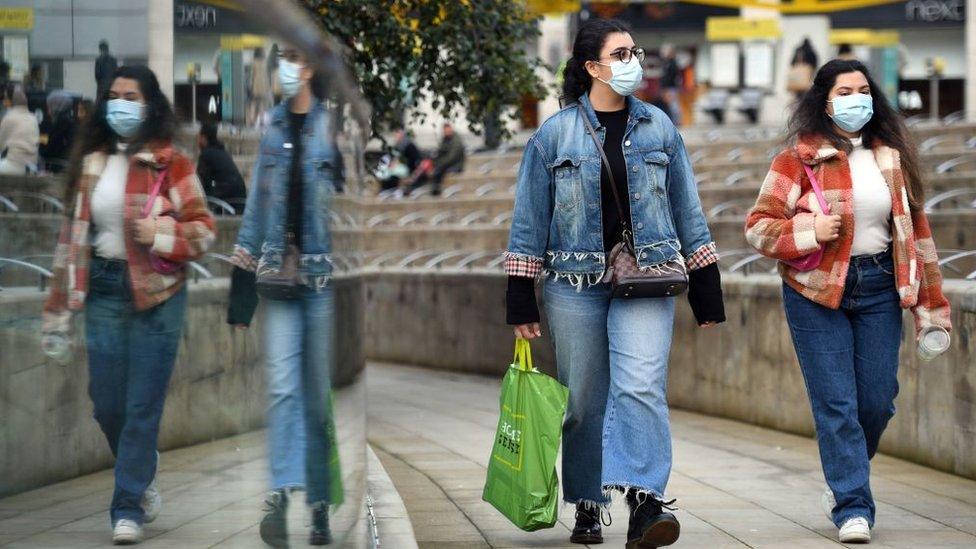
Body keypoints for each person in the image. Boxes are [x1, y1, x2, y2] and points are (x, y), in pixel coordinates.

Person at [505, 18, 725, 548]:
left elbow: (688, 210)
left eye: (635, 51)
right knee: (584, 400)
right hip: (571, 283)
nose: (634, 61)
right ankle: (587, 500)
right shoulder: (554, 134)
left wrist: (706, 286)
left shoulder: (660, 128)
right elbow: (529, 219)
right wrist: (520, 296)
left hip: (647, 277)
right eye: (622, 53)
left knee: (642, 385)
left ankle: (646, 502)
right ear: (592, 66)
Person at [745, 59, 952, 544]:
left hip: (880, 285)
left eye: (863, 90)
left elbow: (917, 236)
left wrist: (931, 307)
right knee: (836, 402)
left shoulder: (892, 158)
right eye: (844, 91)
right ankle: (853, 506)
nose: (855, 98)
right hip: (815, 292)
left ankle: (846, 475)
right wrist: (808, 229)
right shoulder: (796, 160)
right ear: (824, 99)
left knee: (877, 401)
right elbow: (757, 227)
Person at [40, 65, 216, 545]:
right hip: (103, 286)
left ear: (149, 103)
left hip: (159, 296)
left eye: (131, 96)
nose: (120, 103)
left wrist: (160, 234)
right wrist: (57, 310)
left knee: (142, 405)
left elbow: (203, 231)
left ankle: (127, 506)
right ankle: (143, 465)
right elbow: (70, 240)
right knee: (107, 403)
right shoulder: (90, 162)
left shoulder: (171, 162)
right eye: (113, 95)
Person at [227, 44, 338, 548]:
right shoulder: (270, 127)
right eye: (282, 60)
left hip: (321, 283)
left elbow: (345, 210)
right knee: (281, 389)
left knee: (316, 399)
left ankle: (317, 504)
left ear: (311, 66)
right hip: (277, 278)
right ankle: (280, 495)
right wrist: (239, 290)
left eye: (293, 59)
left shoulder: (332, 129)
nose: (285, 69)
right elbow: (254, 209)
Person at [196, 120, 246, 207]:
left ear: (204, 138)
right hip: (240, 198)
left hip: (227, 200)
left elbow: (201, 183)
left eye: (199, 137)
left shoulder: (206, 155)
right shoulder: (222, 152)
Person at [407, 122, 464, 196]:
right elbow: (440, 152)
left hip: (455, 164)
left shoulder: (456, 141)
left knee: (436, 170)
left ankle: (434, 189)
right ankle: (414, 184)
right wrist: (433, 160)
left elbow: (451, 158)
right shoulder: (446, 138)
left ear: (450, 129)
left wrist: (437, 163)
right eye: (444, 131)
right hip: (444, 162)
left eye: (447, 130)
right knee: (426, 164)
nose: (445, 132)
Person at [0, 85, 39, 174]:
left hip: (14, 165)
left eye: (6, 99)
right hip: (32, 166)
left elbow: (1, 144)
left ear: (12, 101)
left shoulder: (9, 117)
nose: (4, 102)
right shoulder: (33, 117)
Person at [39, 90, 76, 173]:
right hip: (66, 166)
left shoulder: (51, 123)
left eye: (49, 105)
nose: (48, 108)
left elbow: (44, 146)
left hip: (54, 166)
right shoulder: (71, 121)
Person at [247, 47, 272, 127]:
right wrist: (268, 86)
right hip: (264, 85)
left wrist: (250, 85)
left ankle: (252, 120)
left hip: (255, 85)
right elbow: (268, 75)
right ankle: (261, 121)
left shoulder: (253, 62)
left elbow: (251, 75)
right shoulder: (265, 62)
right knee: (261, 104)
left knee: (254, 103)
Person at [658, 44, 682, 126]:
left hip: (671, 88)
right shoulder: (666, 63)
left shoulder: (673, 63)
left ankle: (677, 123)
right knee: (669, 106)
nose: (663, 53)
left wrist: (667, 88)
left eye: (665, 51)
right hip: (667, 88)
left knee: (674, 106)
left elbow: (673, 77)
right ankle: (671, 123)